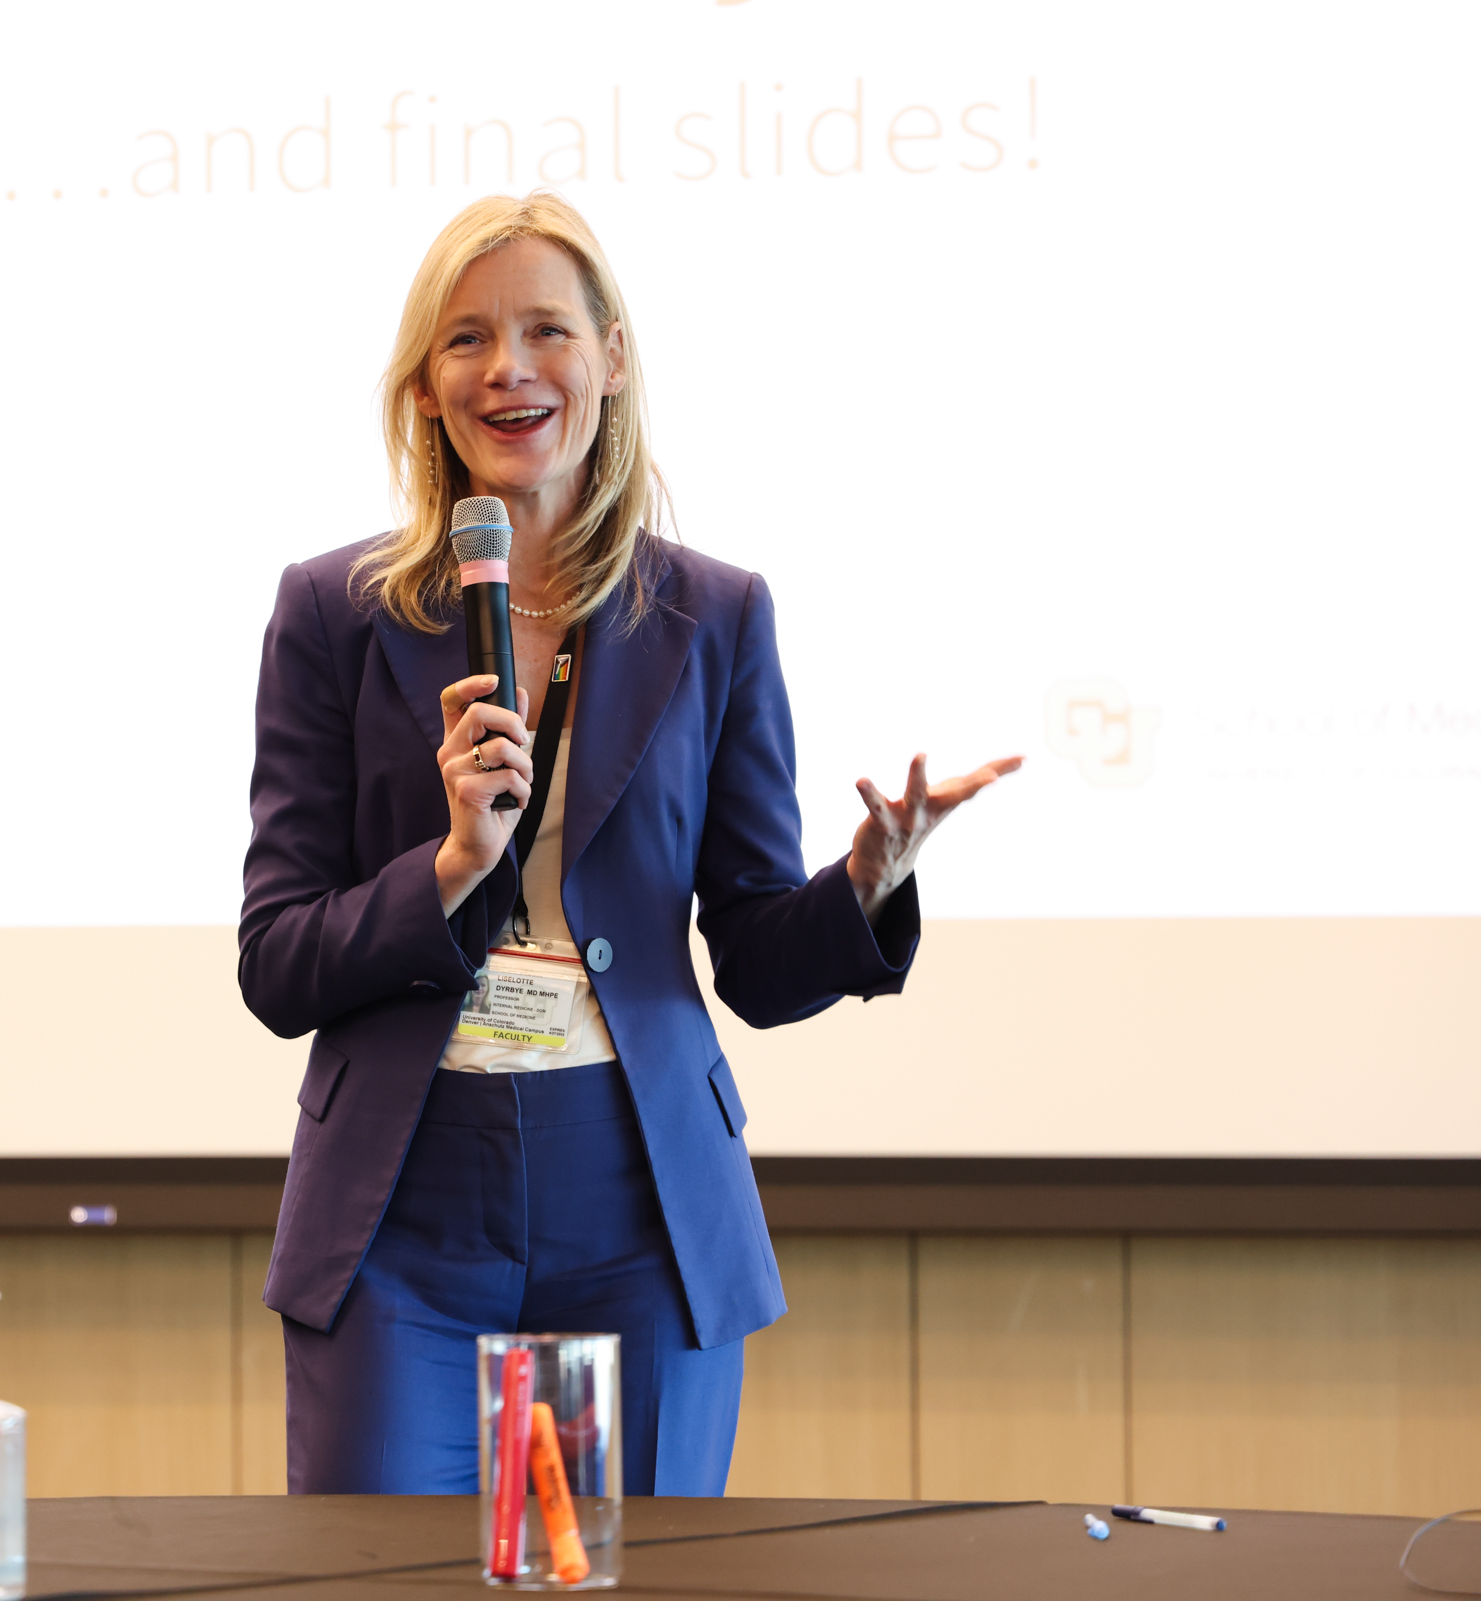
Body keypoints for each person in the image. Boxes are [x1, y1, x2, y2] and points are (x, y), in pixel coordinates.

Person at [237, 192, 1020, 1496]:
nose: (510, 368)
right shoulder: (334, 611)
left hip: (638, 1199)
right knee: (376, 1578)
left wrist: (868, 882)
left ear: (609, 358)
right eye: (467, 338)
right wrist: (446, 868)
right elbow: (276, 962)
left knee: (627, 1576)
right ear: (424, 387)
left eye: (547, 329)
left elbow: (756, 958)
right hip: (400, 1206)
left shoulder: (714, 614)